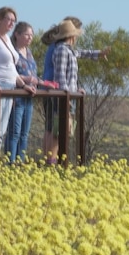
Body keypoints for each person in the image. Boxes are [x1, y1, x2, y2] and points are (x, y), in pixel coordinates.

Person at [41, 16, 110, 163]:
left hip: (66, 96)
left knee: (58, 131)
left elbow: (82, 54)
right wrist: (66, 96)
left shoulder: (68, 50)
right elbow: (60, 75)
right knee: (56, 131)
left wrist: (99, 54)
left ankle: (53, 162)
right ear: (72, 35)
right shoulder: (61, 51)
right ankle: (52, 164)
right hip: (62, 98)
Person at [0, 6, 35, 155]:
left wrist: (23, 85)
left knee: (1, 130)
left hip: (10, 87)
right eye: (8, 19)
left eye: (13, 21)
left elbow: (12, 69)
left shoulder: (7, 40)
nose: (11, 23)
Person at [7, 21, 38, 163]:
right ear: (17, 35)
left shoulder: (30, 53)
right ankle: (11, 163)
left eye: (31, 35)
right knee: (14, 133)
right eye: (27, 35)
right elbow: (11, 74)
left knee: (24, 134)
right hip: (17, 97)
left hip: (29, 98)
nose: (30, 38)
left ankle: (21, 162)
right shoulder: (13, 53)